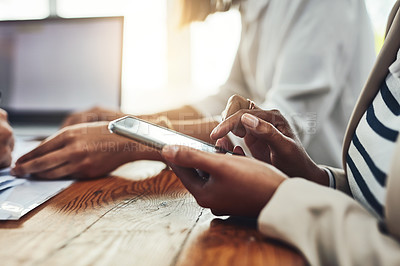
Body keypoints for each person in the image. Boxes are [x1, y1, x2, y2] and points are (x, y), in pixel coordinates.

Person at [12, 0, 375, 179]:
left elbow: (284, 125)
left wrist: (131, 141)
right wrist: (134, 121)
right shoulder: (259, 7)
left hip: (322, 190)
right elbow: (228, 96)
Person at [160, 1, 400, 264]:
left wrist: (278, 195)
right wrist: (317, 178)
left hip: (311, 230)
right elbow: (231, 94)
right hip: (314, 201)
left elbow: (290, 115)